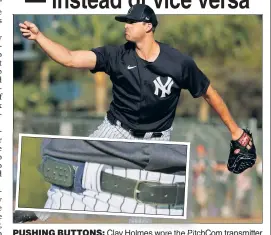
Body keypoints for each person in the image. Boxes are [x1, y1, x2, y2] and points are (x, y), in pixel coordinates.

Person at [17, 4, 255, 223]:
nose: (126, 26)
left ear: (148, 26)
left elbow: (209, 93)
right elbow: (70, 58)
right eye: (125, 21)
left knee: (143, 206)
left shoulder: (179, 63)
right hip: (115, 129)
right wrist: (39, 37)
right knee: (72, 162)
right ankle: (38, 213)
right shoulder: (116, 56)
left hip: (157, 141)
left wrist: (236, 132)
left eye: (131, 21)